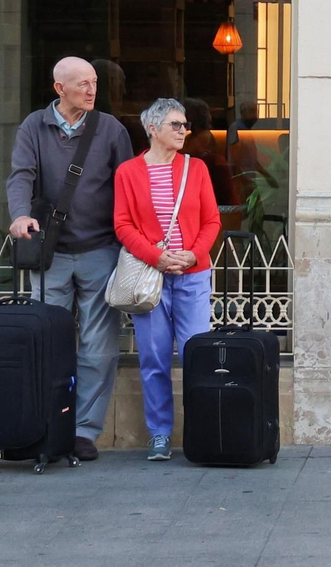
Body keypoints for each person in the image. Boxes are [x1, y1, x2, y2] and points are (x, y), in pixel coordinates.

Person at [6, 56, 133, 461]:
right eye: (82, 84)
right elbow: (21, 174)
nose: (92, 90)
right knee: (47, 342)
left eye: (94, 82)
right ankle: (47, 423)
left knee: (99, 346)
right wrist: (20, 215)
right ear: (59, 88)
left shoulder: (110, 128)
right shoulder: (34, 126)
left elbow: (126, 184)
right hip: (51, 253)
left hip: (100, 250)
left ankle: (83, 432)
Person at [113, 97, 222, 462]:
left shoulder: (197, 169)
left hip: (192, 276)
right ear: (153, 129)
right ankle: (159, 434)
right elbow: (123, 224)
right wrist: (156, 256)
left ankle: (201, 429)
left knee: (197, 356)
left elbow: (212, 221)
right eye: (176, 125)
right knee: (155, 358)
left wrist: (193, 254)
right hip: (150, 279)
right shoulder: (128, 172)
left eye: (185, 125)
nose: (183, 131)